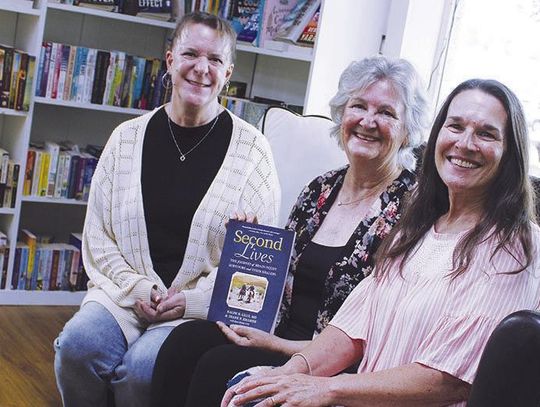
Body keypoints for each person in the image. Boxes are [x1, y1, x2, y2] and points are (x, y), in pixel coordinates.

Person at [222, 78, 540, 407]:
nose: (465, 143)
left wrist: (327, 389)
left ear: (510, 154)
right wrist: (289, 374)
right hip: (358, 399)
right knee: (245, 390)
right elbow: (353, 326)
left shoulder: (516, 246)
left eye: (486, 133)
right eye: (455, 126)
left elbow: (450, 379)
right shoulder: (417, 227)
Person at [151, 55, 430, 406]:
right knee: (184, 342)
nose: (368, 121)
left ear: (408, 130)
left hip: (332, 362)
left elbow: (375, 332)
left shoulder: (413, 210)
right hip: (274, 332)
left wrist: (277, 346)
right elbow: (276, 280)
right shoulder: (321, 189)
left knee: (216, 367)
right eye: (358, 106)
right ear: (342, 115)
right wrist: (249, 251)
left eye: (386, 113)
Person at [53, 11, 280, 407]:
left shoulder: (253, 153)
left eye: (214, 60)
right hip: (123, 293)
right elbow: (98, 236)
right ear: (170, 59)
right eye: (191, 53)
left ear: (228, 73)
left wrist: (189, 302)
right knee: (77, 347)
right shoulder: (125, 139)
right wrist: (140, 287)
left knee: (144, 371)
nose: (201, 68)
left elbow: (254, 271)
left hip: (194, 308)